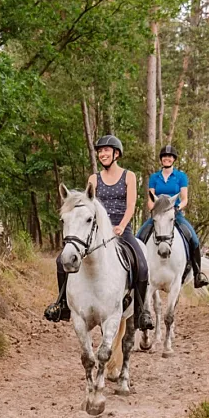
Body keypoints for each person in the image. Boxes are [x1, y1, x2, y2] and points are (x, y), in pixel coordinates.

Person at [44, 135, 154, 330]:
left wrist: (121, 225)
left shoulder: (129, 176)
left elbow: (131, 206)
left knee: (142, 264)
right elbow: (89, 207)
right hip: (96, 230)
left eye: (106, 150)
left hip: (122, 229)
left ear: (116, 154)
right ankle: (62, 304)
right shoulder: (93, 179)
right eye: (100, 151)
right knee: (61, 261)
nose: (102, 154)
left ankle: (141, 312)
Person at [137, 144, 209, 288]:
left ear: (173, 159)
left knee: (194, 239)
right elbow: (151, 199)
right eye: (164, 156)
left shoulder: (180, 177)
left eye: (169, 156)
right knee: (139, 237)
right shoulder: (154, 177)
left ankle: (197, 274)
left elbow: (184, 199)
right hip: (158, 215)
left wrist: (177, 207)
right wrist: (154, 210)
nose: (167, 158)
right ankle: (137, 275)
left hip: (175, 214)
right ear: (161, 159)